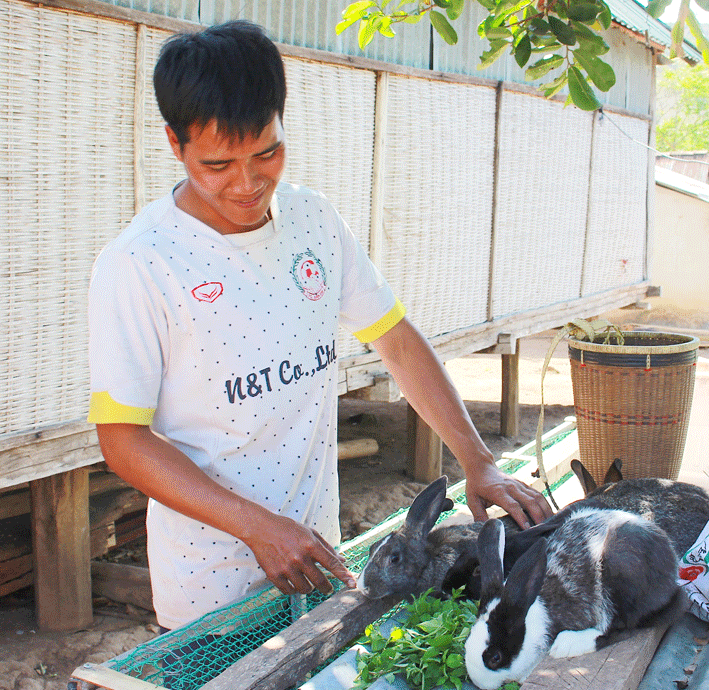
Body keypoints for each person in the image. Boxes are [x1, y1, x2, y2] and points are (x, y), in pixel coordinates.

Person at [87, 19, 552, 631]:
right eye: (218, 164)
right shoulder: (141, 264)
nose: (248, 183)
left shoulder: (314, 222)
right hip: (210, 582)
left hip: (316, 551)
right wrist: (255, 526)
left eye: (267, 151)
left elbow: (394, 337)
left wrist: (476, 458)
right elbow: (123, 440)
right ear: (176, 144)